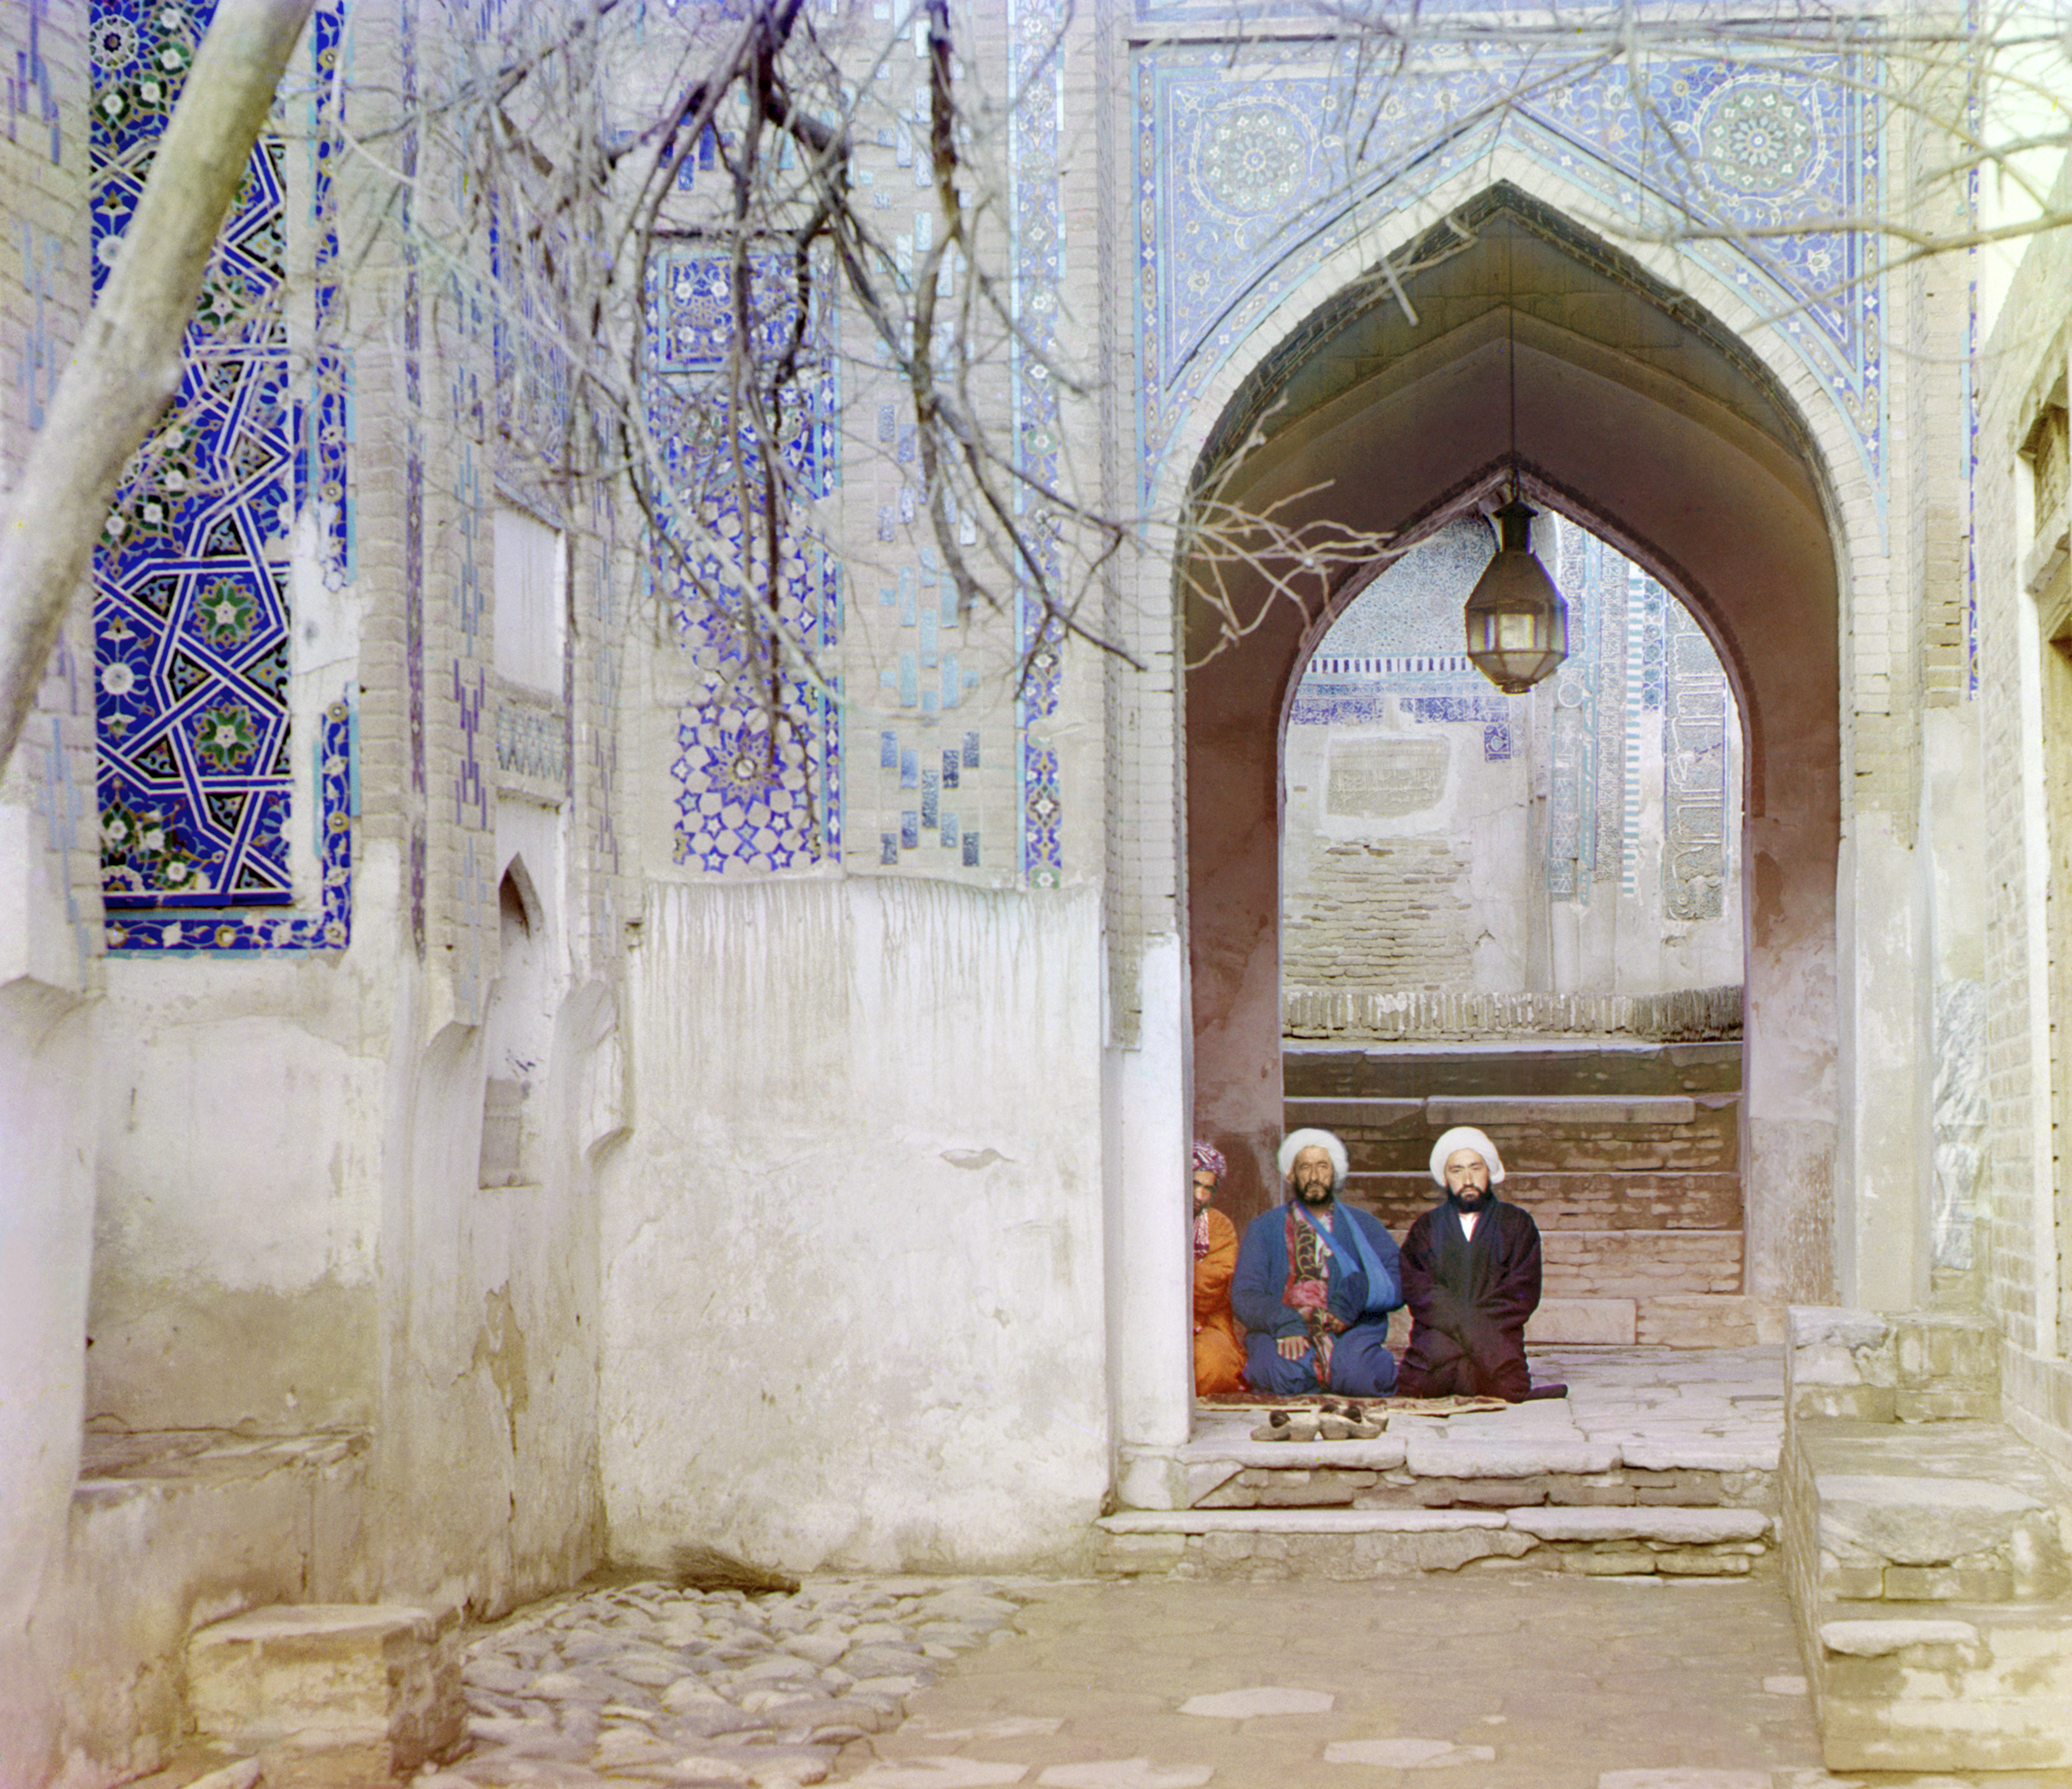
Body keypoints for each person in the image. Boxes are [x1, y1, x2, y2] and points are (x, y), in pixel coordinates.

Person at [1396, 1126, 1565, 1403]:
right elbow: (1418, 1290)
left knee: (1504, 1385)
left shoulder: (1517, 1224)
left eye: (1476, 1168)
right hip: (1484, 1352)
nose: (1467, 1179)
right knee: (1419, 1383)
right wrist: (1474, 1333)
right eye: (1457, 1170)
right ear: (1445, 1178)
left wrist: (1464, 1333)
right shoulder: (1426, 1228)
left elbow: (1521, 1294)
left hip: (1486, 1344)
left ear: (1490, 1172)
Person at [1231, 1127, 1402, 1398]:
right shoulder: (1264, 1228)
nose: (1314, 1177)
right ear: (1291, 1174)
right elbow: (1245, 1294)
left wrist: (1356, 1297)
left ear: (1334, 1173)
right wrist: (1284, 1322)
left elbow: (1397, 1278)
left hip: (1349, 1329)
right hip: (1285, 1330)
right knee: (1278, 1372)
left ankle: (1340, 1370)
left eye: (1322, 1167)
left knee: (1359, 1376)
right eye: (1305, 1168)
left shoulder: (1365, 1224)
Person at [1190, 1141, 1246, 1396]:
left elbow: (1210, 1288)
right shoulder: (1147, 1218)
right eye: (1195, 1185)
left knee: (1215, 1366)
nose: (1200, 1196)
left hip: (1206, 1324)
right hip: (1150, 1323)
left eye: (1208, 1189)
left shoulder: (1219, 1226)